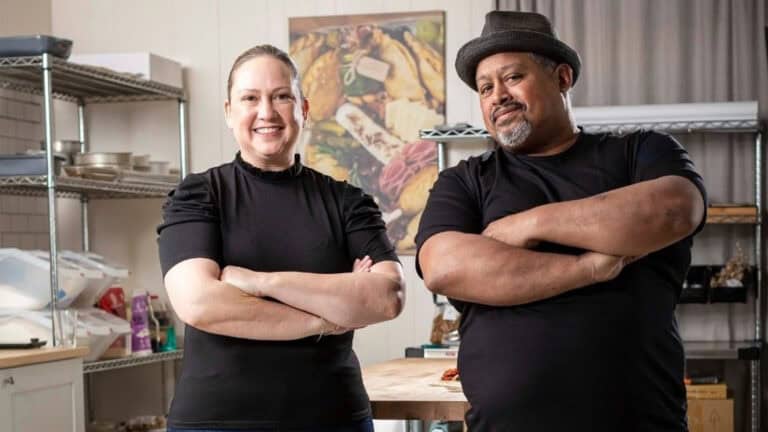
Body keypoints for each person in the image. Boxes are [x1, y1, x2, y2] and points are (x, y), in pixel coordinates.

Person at [416, 11, 706, 432]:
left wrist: (526, 226)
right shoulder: (465, 182)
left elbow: (675, 209)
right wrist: (588, 267)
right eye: (485, 87)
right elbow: (444, 266)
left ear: (563, 78)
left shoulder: (638, 153)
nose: (498, 95)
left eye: (512, 77)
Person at [157, 44, 405, 432]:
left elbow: (387, 297)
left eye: (281, 97)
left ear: (303, 109)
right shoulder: (200, 195)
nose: (267, 113)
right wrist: (326, 318)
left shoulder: (348, 202)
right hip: (217, 422)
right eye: (250, 98)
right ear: (229, 112)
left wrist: (260, 283)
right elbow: (199, 303)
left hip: (332, 418)